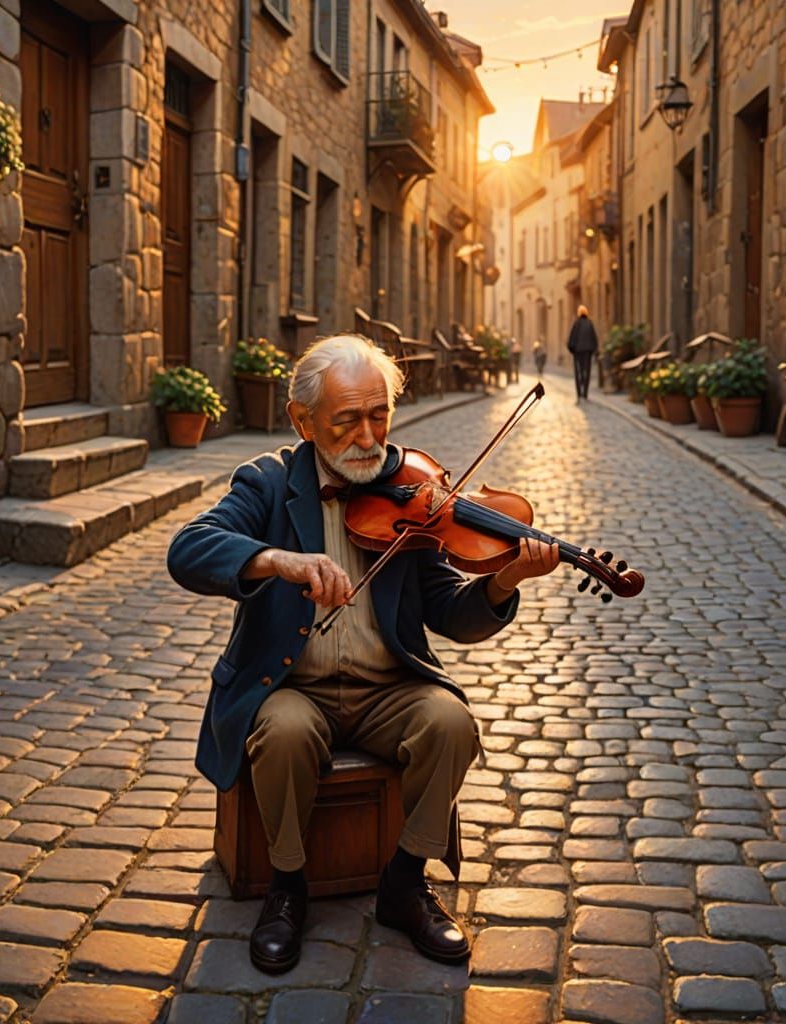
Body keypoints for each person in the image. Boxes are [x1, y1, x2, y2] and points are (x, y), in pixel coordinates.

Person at [166, 334, 562, 975]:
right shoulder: (268, 482)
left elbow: (451, 613)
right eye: (346, 420)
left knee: (451, 722)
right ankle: (287, 885)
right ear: (303, 421)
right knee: (284, 732)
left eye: (380, 415)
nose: (369, 436)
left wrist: (505, 578)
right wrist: (276, 560)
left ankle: (404, 881)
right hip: (294, 687)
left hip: (387, 690)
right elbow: (189, 548)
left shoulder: (413, 492)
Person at [568, 305, 599, 400]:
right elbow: (594, 338)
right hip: (587, 352)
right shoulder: (590, 323)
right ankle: (585, 393)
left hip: (578, 352)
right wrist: (594, 350)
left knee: (578, 372)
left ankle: (579, 393)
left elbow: (572, 338)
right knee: (587, 371)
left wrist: (572, 350)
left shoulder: (576, 323)